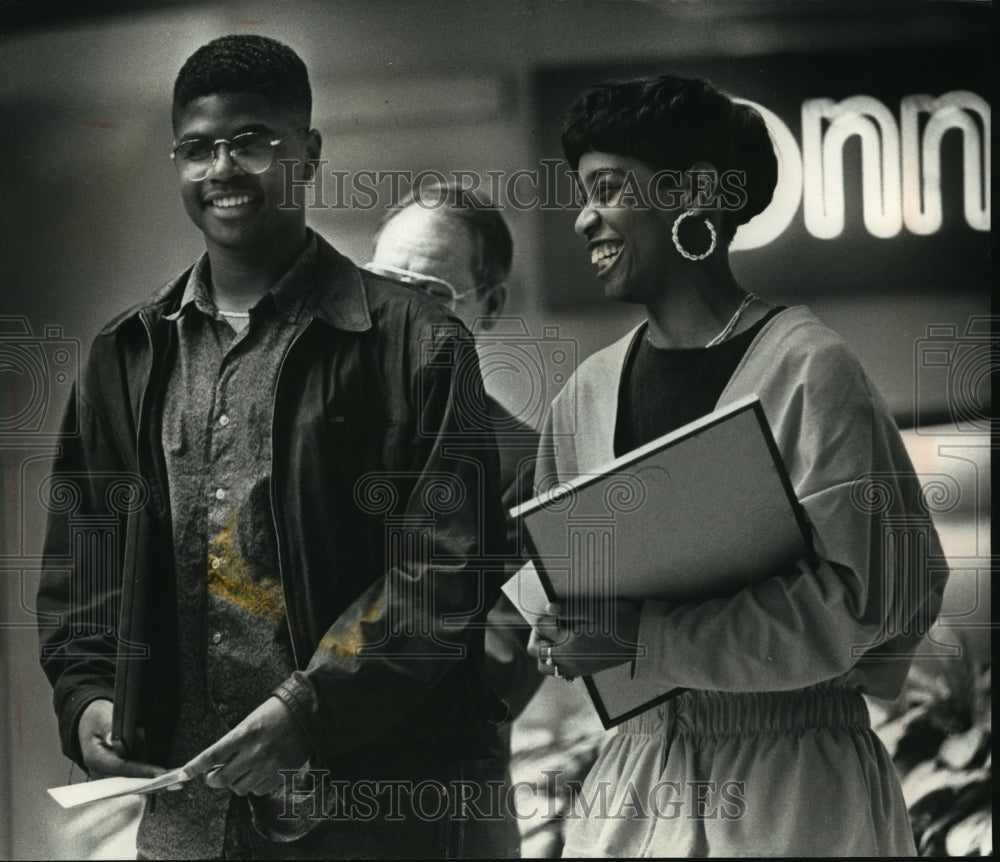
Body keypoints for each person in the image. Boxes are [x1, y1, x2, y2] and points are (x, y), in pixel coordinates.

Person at [37, 35, 509, 860]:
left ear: (308, 153)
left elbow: (443, 574)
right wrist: (85, 698)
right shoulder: (126, 355)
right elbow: (84, 561)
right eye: (197, 148)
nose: (223, 167)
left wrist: (305, 712)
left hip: (372, 821)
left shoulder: (420, 345)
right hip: (189, 827)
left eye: (252, 141)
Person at [526, 73, 949, 856]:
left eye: (609, 189)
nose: (584, 217)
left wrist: (647, 639)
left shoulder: (811, 371)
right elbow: (566, 586)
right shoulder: (581, 399)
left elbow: (874, 601)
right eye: (582, 194)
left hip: (796, 786)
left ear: (693, 193)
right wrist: (561, 631)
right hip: (635, 789)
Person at [368, 186, 543, 855]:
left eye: (432, 292)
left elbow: (494, 677)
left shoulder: (531, 466)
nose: (399, 313)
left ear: (489, 306)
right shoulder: (312, 434)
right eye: (382, 283)